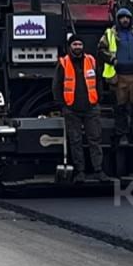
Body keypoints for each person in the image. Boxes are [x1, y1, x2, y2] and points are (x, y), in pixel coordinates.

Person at [53, 34, 111, 184]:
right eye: (74, 45)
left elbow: (98, 81)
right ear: (69, 47)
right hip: (71, 108)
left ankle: (98, 170)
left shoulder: (91, 61)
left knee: (95, 139)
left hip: (91, 107)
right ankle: (80, 172)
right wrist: (62, 105)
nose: (77, 47)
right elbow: (57, 85)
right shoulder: (63, 63)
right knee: (75, 141)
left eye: (79, 44)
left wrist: (98, 99)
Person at [98, 7, 133, 146]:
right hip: (118, 76)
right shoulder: (110, 33)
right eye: (122, 17)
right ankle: (122, 135)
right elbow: (101, 50)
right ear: (118, 19)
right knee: (120, 107)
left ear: (131, 19)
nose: (125, 20)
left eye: (127, 17)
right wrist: (112, 60)